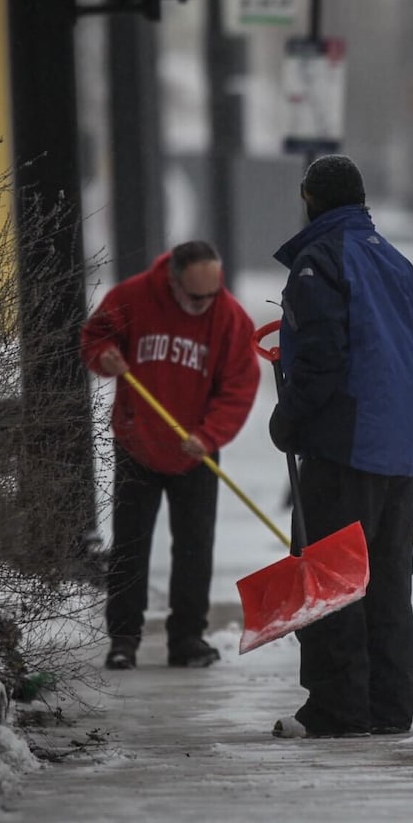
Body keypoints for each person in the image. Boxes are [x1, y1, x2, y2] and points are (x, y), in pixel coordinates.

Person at [267, 154, 413, 739]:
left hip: (343, 449)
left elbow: (321, 359)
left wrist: (289, 417)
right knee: (387, 586)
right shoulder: (397, 263)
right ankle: (388, 709)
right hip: (397, 452)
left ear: (310, 198)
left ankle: (337, 710)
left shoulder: (320, 262)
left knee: (331, 582)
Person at [80, 241, 259, 671]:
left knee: (196, 549)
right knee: (131, 545)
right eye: (195, 296)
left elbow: (238, 387)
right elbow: (95, 336)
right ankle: (123, 638)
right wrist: (105, 357)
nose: (204, 304)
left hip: (194, 450)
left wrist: (209, 435)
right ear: (173, 281)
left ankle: (187, 639)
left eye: (212, 294)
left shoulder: (229, 317)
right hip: (137, 441)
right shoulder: (133, 298)